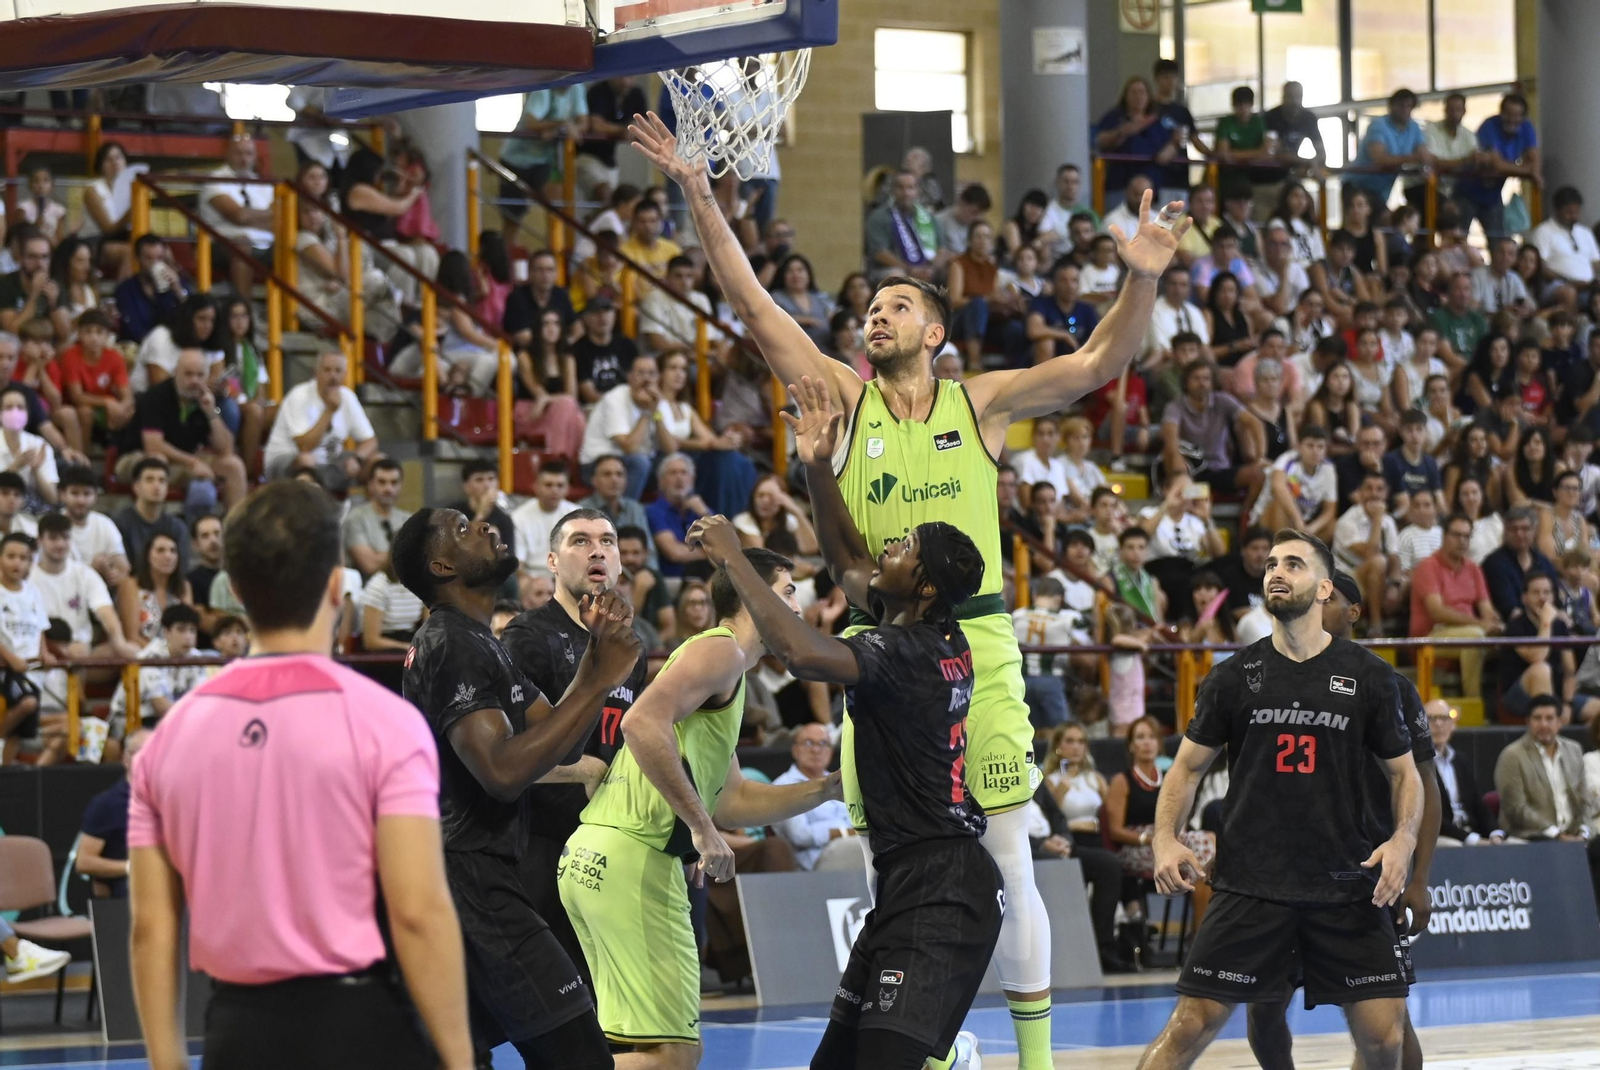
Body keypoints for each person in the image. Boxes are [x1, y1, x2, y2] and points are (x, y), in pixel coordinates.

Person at [633, 111, 1191, 1070]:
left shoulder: (981, 402)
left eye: (894, 306)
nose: (874, 316)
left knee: (1008, 855)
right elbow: (752, 300)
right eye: (870, 309)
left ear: (934, 331)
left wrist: (1141, 275)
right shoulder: (841, 401)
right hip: (878, 656)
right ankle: (925, 1040)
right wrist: (697, 192)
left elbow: (1102, 362)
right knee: (897, 859)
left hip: (978, 646)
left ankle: (1037, 1061)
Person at [686, 402, 999, 1070]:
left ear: (923, 584)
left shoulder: (906, 652)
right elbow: (846, 557)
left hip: (943, 888)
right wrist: (816, 465)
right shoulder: (931, 628)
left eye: (906, 546)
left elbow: (800, 652)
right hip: (912, 881)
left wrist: (737, 562)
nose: (890, 546)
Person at [128, 480, 475, 1070]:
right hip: (357, 1028)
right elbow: (418, 911)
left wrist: (167, 1062)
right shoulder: (386, 723)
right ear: (337, 587)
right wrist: (460, 1060)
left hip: (234, 1032)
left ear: (235, 590)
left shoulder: (167, 739)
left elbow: (150, 927)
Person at [1136, 530, 1422, 1070]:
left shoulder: (1371, 678)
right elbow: (1186, 769)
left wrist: (1403, 841)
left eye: (1293, 563)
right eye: (1271, 564)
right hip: (1252, 885)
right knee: (1189, 1025)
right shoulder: (1231, 677)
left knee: (1386, 1041)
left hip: (1347, 883)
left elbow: (1406, 776)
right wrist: (1165, 839)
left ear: (1323, 589)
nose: (1276, 572)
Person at [559, 538, 844, 1070]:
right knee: (672, 1054)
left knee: (627, 1048)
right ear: (755, 596)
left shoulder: (727, 672)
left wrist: (826, 788)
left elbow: (732, 800)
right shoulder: (722, 651)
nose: (799, 607)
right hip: (634, 862)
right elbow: (641, 722)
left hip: (594, 857)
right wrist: (701, 830)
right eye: (787, 592)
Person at [390, 503, 641, 1068]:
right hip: (471, 879)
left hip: (475, 875)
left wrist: (596, 664)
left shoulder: (484, 642)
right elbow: (502, 773)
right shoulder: (449, 643)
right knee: (580, 1053)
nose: (483, 526)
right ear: (442, 567)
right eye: (462, 529)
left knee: (461, 1055)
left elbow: (561, 738)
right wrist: (599, 678)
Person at [1244, 568, 1441, 1070]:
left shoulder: (1389, 685)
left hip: (1365, 876)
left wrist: (1419, 877)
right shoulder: (1271, 676)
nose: (1317, 604)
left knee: (1387, 1025)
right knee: (1264, 1011)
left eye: (1330, 598)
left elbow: (1426, 787)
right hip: (1282, 874)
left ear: (1352, 611)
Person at [500, 509, 650, 985]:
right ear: (551, 560)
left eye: (607, 542)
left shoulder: (631, 645)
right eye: (580, 542)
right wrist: (584, 770)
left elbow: (632, 744)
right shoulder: (527, 637)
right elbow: (507, 755)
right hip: (543, 843)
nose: (598, 551)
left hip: (609, 844)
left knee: (607, 1001)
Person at [122, 348, 248, 518]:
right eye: (188, 374)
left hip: (185, 460)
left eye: (200, 375)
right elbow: (153, 445)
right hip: (139, 456)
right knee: (156, 463)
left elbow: (226, 449)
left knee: (233, 466)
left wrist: (211, 412)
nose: (194, 381)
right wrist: (193, 462)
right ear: (176, 373)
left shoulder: (206, 399)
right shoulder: (155, 396)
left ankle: (236, 528)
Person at [1410, 513, 1503, 697]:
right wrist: (1479, 624)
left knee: (1512, 638)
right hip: (1431, 635)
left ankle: (1505, 705)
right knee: (1475, 637)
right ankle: (1473, 700)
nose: (1462, 541)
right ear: (1444, 536)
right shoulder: (1428, 566)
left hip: (1469, 632)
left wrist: (1495, 624)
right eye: (1456, 535)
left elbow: (1487, 609)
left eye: (1466, 536)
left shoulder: (1473, 568)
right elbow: (1437, 612)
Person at [1493, 695, 1590, 841]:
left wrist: (1584, 831)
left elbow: (1584, 798)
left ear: (1559, 722)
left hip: (1573, 834)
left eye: (1549, 718)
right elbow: (1516, 808)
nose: (1544, 724)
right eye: (1537, 718)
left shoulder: (1574, 750)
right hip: (1533, 835)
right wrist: (1557, 835)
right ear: (1528, 722)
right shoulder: (1512, 755)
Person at [771, 724, 859, 871]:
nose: (816, 750)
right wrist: (844, 832)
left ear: (831, 751)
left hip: (851, 849)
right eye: (808, 743)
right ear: (795, 750)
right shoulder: (783, 785)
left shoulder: (843, 781)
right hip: (815, 862)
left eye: (823, 743)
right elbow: (800, 835)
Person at [199, 135, 277, 298]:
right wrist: (265, 216)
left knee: (294, 243)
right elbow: (238, 216)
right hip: (222, 244)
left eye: (249, 153)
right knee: (242, 243)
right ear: (228, 154)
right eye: (239, 153)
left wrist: (249, 217)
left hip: (265, 243)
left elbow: (277, 221)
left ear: (255, 157)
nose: (244, 159)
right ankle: (244, 312)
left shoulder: (264, 185)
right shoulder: (215, 180)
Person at [1496, 572, 1576, 724]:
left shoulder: (1559, 626)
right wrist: (1546, 623)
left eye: (1547, 592)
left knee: (1596, 708)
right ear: (1524, 598)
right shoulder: (1515, 626)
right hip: (1517, 695)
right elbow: (1538, 657)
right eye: (1536, 592)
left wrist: (1568, 705)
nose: (1542, 598)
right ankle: (1549, 733)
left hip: (1556, 694)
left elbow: (1570, 672)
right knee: (1541, 670)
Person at [1429, 703, 1507, 844]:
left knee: (1513, 845)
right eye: (1430, 719)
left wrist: (1495, 833)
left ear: (1453, 725)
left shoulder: (1460, 760)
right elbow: (1430, 817)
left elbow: (1479, 804)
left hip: (1471, 832)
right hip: (1439, 836)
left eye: (1444, 718)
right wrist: (1473, 840)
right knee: (1456, 846)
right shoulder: (1417, 764)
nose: (1438, 724)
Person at [865, 170, 949, 282]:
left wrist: (931, 269)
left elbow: (941, 249)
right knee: (897, 275)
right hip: (890, 269)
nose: (906, 193)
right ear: (893, 190)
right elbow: (880, 253)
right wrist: (911, 270)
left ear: (917, 191)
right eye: (901, 188)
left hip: (927, 268)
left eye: (910, 188)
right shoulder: (879, 217)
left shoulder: (928, 217)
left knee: (953, 271)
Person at [115, 457, 191, 572]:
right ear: (136, 487)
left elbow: (182, 572)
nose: (156, 486)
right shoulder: (120, 523)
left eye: (162, 480)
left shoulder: (177, 528)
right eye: (149, 480)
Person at [59, 464, 129, 588]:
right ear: (63, 495)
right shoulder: (53, 525)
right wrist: (92, 569)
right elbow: (57, 574)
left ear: (96, 496)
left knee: (127, 584)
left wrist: (112, 573)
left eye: (87, 494)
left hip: (102, 590)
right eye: (75, 493)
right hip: (64, 590)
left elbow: (123, 567)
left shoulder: (104, 523)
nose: (81, 500)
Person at [344, 458, 411, 579]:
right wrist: (405, 555)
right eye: (382, 482)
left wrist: (379, 555)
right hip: (367, 590)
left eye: (394, 482)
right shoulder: (355, 518)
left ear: (400, 485)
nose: (388, 489)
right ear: (370, 485)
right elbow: (369, 565)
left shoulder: (408, 519)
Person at [114, 235, 185, 346]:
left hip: (172, 347)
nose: (155, 263)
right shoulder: (126, 290)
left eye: (159, 258)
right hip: (139, 347)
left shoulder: (176, 284)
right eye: (148, 258)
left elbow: (192, 317)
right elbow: (132, 328)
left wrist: (178, 290)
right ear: (137, 258)